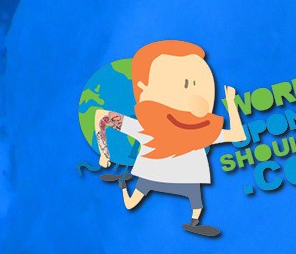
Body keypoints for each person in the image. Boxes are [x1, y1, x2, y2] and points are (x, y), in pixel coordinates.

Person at [94, 39, 246, 238]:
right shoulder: (148, 129)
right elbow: (102, 116)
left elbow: (238, 135)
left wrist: (232, 103)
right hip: (152, 176)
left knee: (196, 203)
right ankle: (123, 185)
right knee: (131, 203)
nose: (196, 100)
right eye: (185, 85)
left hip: (185, 179)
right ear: (144, 89)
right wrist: (104, 152)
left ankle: (194, 222)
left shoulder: (202, 132)